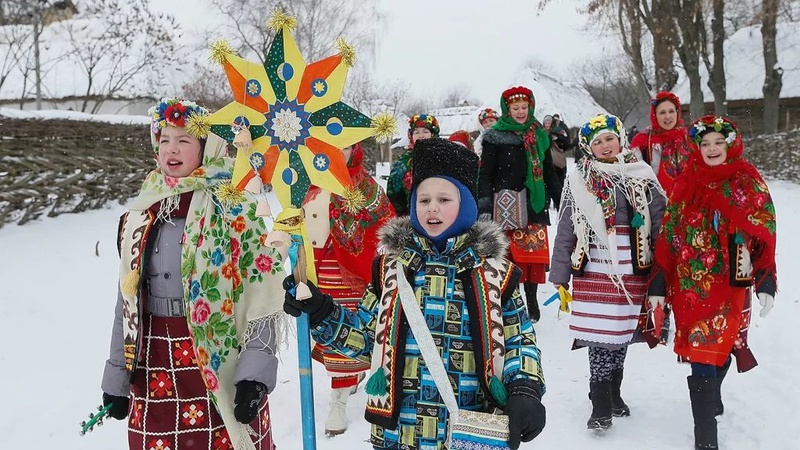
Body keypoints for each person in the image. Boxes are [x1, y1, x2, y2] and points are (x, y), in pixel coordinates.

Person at [284, 137, 547, 450]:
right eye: (423, 200)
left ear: (466, 205)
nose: (432, 207)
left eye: (444, 199)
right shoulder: (390, 271)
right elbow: (366, 341)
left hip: (467, 428)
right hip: (398, 434)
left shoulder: (497, 275)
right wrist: (322, 311)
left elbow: (519, 341)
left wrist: (525, 389)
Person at [100, 98, 289, 450]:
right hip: (154, 359)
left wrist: (254, 375)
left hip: (218, 358)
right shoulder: (141, 212)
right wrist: (117, 376)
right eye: (165, 140)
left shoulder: (234, 206)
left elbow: (264, 293)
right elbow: (126, 300)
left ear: (206, 148)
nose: (171, 149)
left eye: (184, 140)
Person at [649, 115, 777, 450]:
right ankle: (706, 437)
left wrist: (766, 281)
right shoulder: (685, 182)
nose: (711, 149)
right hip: (692, 284)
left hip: (733, 282)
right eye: (704, 144)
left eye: (718, 142)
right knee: (701, 354)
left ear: (731, 143)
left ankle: (714, 391)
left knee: (722, 352)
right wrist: (660, 284)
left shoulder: (749, 183)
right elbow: (670, 234)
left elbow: (764, 233)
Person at [549, 113, 666, 431]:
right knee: (600, 337)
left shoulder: (641, 174)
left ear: (620, 140)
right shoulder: (579, 180)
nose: (604, 145)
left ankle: (614, 392)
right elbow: (566, 228)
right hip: (594, 270)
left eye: (608, 139)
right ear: (588, 147)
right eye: (597, 141)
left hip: (632, 271)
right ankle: (599, 403)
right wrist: (560, 273)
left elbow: (658, 223)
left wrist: (664, 267)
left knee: (622, 335)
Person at [302, 141, 396, 435]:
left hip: (355, 269)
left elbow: (386, 222)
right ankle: (346, 382)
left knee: (349, 327)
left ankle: (338, 399)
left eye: (342, 147)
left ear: (353, 149)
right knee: (326, 330)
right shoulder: (308, 182)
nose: (336, 153)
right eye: (328, 146)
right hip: (318, 266)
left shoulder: (366, 187)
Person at [478, 86, 563, 322]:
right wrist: (484, 206)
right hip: (505, 205)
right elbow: (485, 174)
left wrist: (560, 198)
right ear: (507, 109)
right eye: (515, 108)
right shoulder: (494, 138)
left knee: (532, 257)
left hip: (534, 204)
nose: (520, 112)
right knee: (509, 258)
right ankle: (512, 301)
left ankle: (532, 299)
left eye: (524, 107)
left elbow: (548, 172)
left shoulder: (539, 135)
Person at [630, 91, 693, 194]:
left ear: (677, 113)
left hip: (688, 202)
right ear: (655, 115)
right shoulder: (643, 141)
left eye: (671, 111)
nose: (668, 116)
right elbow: (636, 179)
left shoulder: (690, 138)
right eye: (662, 112)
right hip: (657, 203)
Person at [387, 113, 439, 216]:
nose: (421, 135)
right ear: (411, 135)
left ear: (433, 134)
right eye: (416, 132)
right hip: (411, 219)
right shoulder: (404, 162)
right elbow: (394, 195)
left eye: (425, 131)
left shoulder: (443, 157)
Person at [543, 114, 570, 186]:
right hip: (548, 160)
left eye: (549, 123)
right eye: (546, 123)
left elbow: (566, 143)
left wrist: (557, 139)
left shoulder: (559, 131)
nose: (547, 125)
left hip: (558, 158)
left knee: (559, 180)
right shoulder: (542, 132)